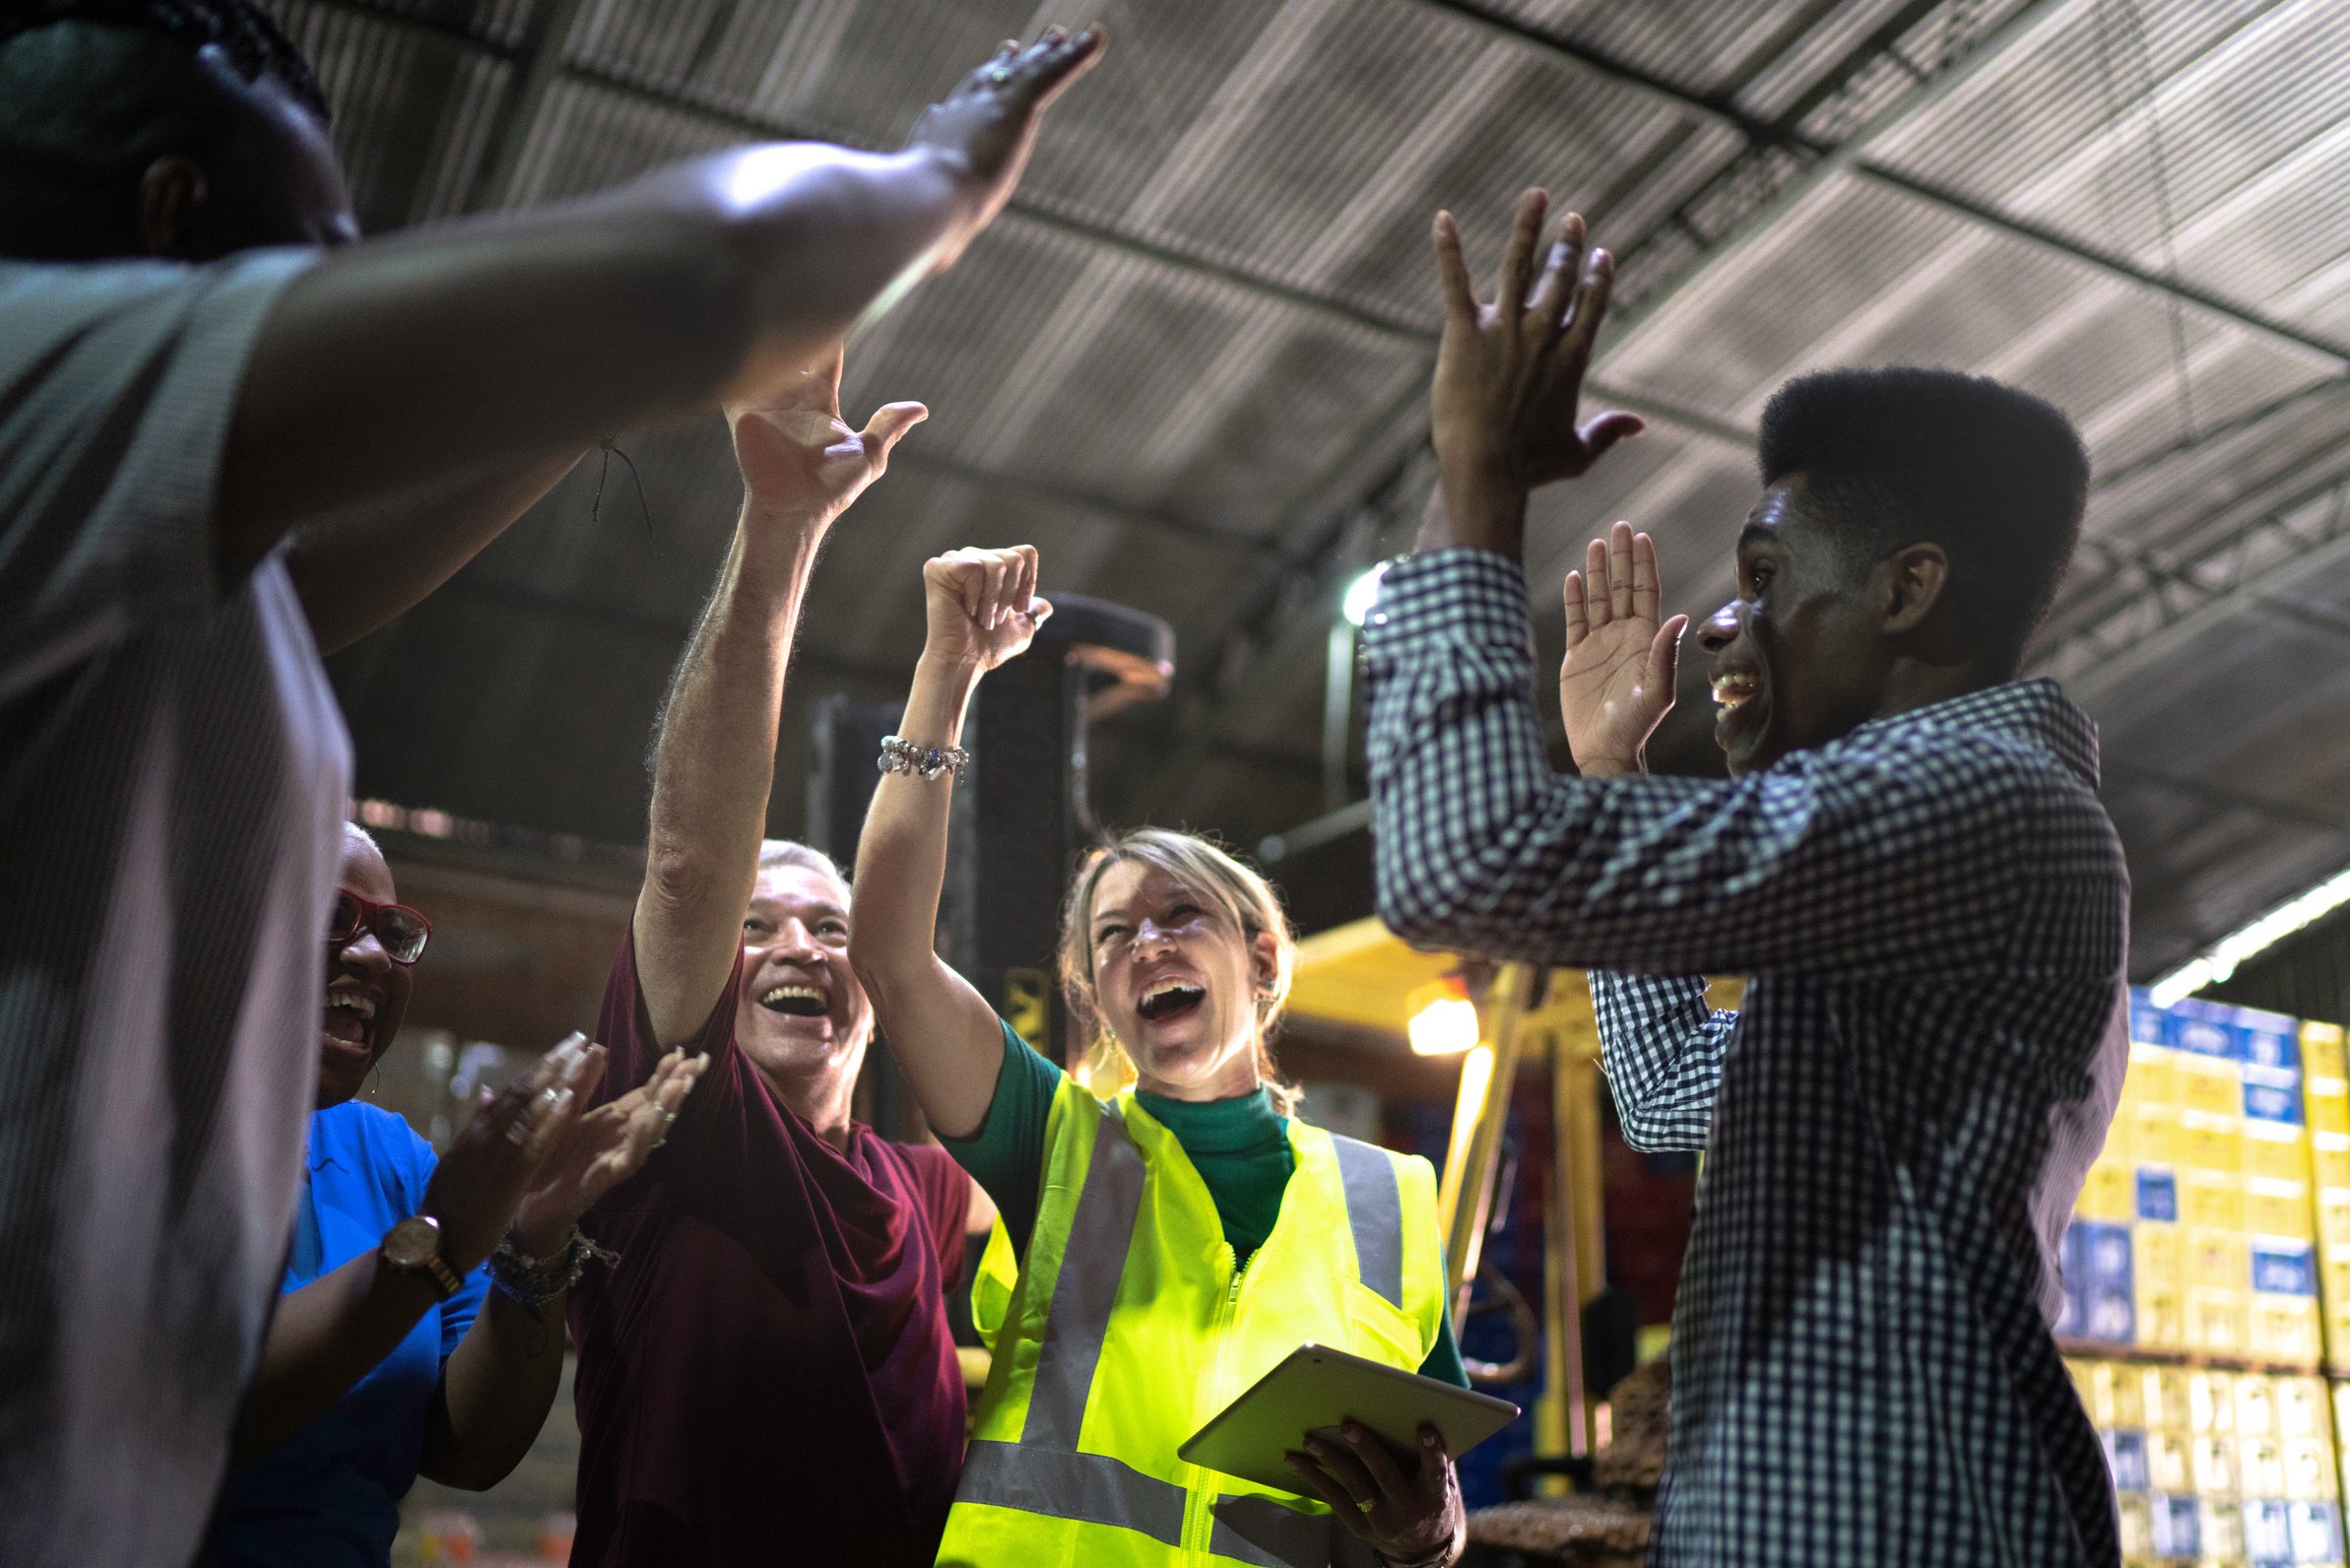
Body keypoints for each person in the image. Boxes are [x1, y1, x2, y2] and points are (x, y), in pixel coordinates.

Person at [0, 0, 1100, 1557]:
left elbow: (325, 571)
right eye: (315, 251)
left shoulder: (185, 592)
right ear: (176, 221)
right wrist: (928, 181)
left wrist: (763, 501)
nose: (340, 287)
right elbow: (701, 273)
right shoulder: (29, 367)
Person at [1363, 189, 2127, 1566]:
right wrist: (1609, 776)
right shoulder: (1937, 859)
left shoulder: (1982, 803)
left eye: (1768, 574)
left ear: (1905, 593)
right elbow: (1665, 1103)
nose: (1722, 619)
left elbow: (1458, 858)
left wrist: (1474, 486)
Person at [849, 545, 1469, 1568]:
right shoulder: (1056, 1144)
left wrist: (1435, 1539)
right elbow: (887, 951)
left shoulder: (1391, 1202)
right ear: (1095, 998)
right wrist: (945, 673)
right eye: (1113, 934)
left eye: (1183, 914)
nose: (1148, 944)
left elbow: (1429, 1491)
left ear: (1263, 957)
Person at [565, 349, 990, 1568]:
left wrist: (948, 674)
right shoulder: (673, 1127)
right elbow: (694, 861)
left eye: (830, 925)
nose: (796, 942)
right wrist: (784, 534)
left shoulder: (935, 1194)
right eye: (758, 926)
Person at [216, 822, 701, 1567]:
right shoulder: (126, 1130)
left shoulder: (391, 1160)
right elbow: (185, 1419)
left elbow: (467, 1452)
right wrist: (434, 1247)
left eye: (395, 931)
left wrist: (534, 1233)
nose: (374, 954)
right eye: (334, 914)